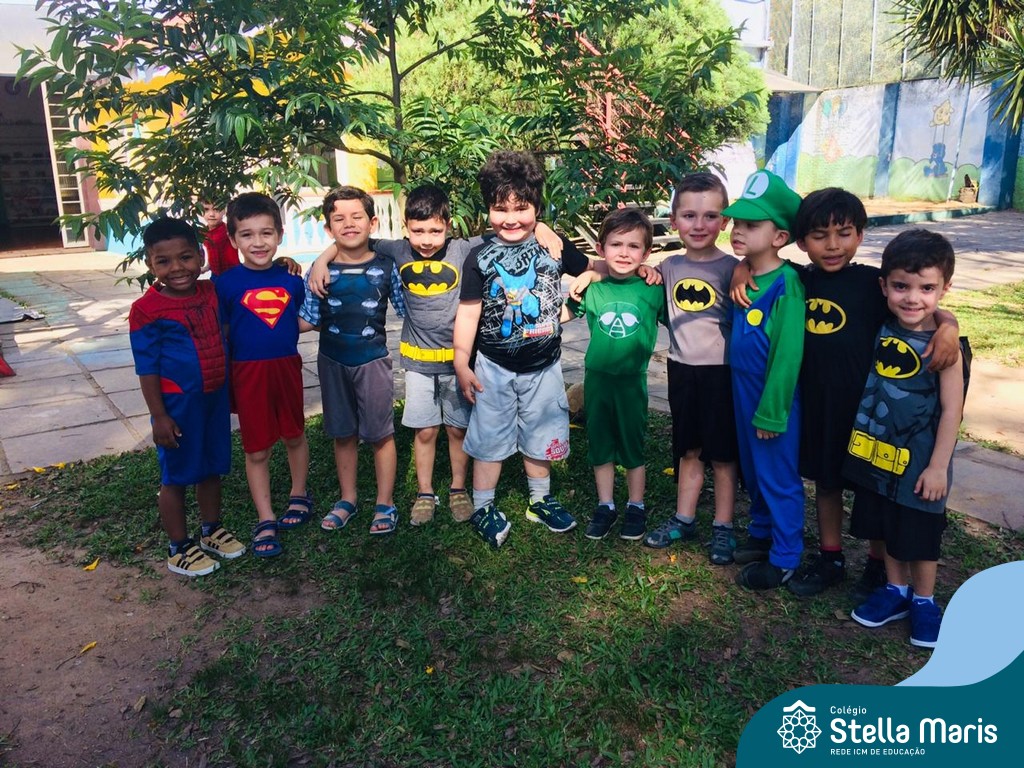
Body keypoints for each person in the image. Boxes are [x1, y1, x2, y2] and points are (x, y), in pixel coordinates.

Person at [306, 185, 565, 527]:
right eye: (418, 231)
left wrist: (542, 227)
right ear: (405, 227)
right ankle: (425, 492)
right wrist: (321, 260)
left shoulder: (463, 248)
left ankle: (458, 488)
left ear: (448, 226)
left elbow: (508, 230)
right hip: (418, 364)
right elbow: (355, 239)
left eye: (435, 231)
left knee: (457, 429)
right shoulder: (398, 249)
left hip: (458, 362)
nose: (426, 240)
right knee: (425, 431)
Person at [778, 189, 962, 599]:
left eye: (844, 233)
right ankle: (831, 557)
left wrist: (949, 326)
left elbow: (918, 299)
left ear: (860, 235)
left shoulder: (871, 283)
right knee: (826, 484)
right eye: (819, 236)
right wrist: (741, 271)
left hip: (871, 412)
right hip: (821, 406)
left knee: (873, 489)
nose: (832, 245)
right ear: (801, 241)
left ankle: (878, 565)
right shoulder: (799, 280)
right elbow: (759, 266)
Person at [453, 150, 591, 548]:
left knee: (541, 432)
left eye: (522, 208)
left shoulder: (554, 246)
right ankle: (483, 506)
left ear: (537, 208)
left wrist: (572, 304)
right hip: (493, 368)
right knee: (489, 437)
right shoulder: (479, 258)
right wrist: (461, 361)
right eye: (500, 209)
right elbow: (468, 314)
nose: (511, 218)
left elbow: (593, 271)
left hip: (544, 367)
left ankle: (540, 500)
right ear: (488, 209)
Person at [846, 229, 963, 648]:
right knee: (885, 523)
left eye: (927, 289)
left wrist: (938, 467)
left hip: (921, 463)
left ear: (944, 289)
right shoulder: (881, 325)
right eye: (901, 287)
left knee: (919, 533)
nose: (913, 298)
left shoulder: (944, 348)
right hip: (878, 452)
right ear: (884, 287)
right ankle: (896, 590)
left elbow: (952, 410)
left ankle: (925, 600)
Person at [128, 217, 244, 577]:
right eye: (163, 261)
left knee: (211, 467)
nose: (177, 268)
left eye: (186, 257)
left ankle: (211, 530)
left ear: (200, 256)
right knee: (176, 476)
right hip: (177, 407)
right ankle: (178, 547)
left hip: (213, 400)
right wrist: (159, 416)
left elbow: (247, 281)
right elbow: (147, 367)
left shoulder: (212, 292)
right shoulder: (146, 310)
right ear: (150, 265)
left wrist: (284, 264)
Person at [642, 172, 740, 564]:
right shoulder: (668, 267)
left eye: (710, 216)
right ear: (673, 221)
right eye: (689, 216)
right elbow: (621, 267)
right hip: (681, 370)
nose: (699, 225)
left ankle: (723, 526)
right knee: (688, 448)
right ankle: (684, 518)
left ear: (725, 221)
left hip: (721, 373)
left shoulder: (733, 269)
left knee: (723, 454)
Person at [298, 186, 406, 535]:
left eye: (357, 216)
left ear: (373, 223)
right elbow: (307, 319)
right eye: (339, 219)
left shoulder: (387, 267)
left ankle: (385, 502)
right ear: (328, 228)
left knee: (380, 434)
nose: (349, 224)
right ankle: (348, 498)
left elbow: (409, 309)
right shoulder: (319, 272)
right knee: (342, 432)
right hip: (331, 361)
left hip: (373, 361)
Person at [723, 170, 806, 590]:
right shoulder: (747, 273)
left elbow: (788, 353)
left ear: (780, 237)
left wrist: (773, 411)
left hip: (771, 396)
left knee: (777, 474)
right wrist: (742, 266)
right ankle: (762, 532)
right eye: (737, 222)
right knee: (753, 469)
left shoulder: (787, 284)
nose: (738, 230)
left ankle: (786, 555)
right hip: (742, 389)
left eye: (752, 225)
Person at [562, 208, 667, 540]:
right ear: (600, 248)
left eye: (634, 246)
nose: (624, 253)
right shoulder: (593, 288)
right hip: (597, 381)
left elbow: (682, 321)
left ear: (646, 253)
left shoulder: (653, 289)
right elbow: (562, 314)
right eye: (616, 244)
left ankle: (636, 505)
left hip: (632, 383)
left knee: (633, 443)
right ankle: (605, 504)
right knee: (600, 442)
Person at [217, 192, 311, 558]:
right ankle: (265, 517)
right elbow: (225, 333)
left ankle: (299, 494)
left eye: (266, 233)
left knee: (294, 433)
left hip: (286, 368)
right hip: (247, 373)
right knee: (256, 447)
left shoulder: (292, 279)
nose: (258, 242)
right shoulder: (225, 285)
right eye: (247, 234)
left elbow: (302, 319)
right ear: (233, 239)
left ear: (280, 235)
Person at [199, 201, 240, 279]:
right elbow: (212, 252)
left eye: (216, 209)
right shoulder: (203, 232)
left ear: (224, 210)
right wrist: (207, 267)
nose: (211, 214)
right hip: (215, 274)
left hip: (233, 274)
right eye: (206, 209)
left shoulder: (229, 230)